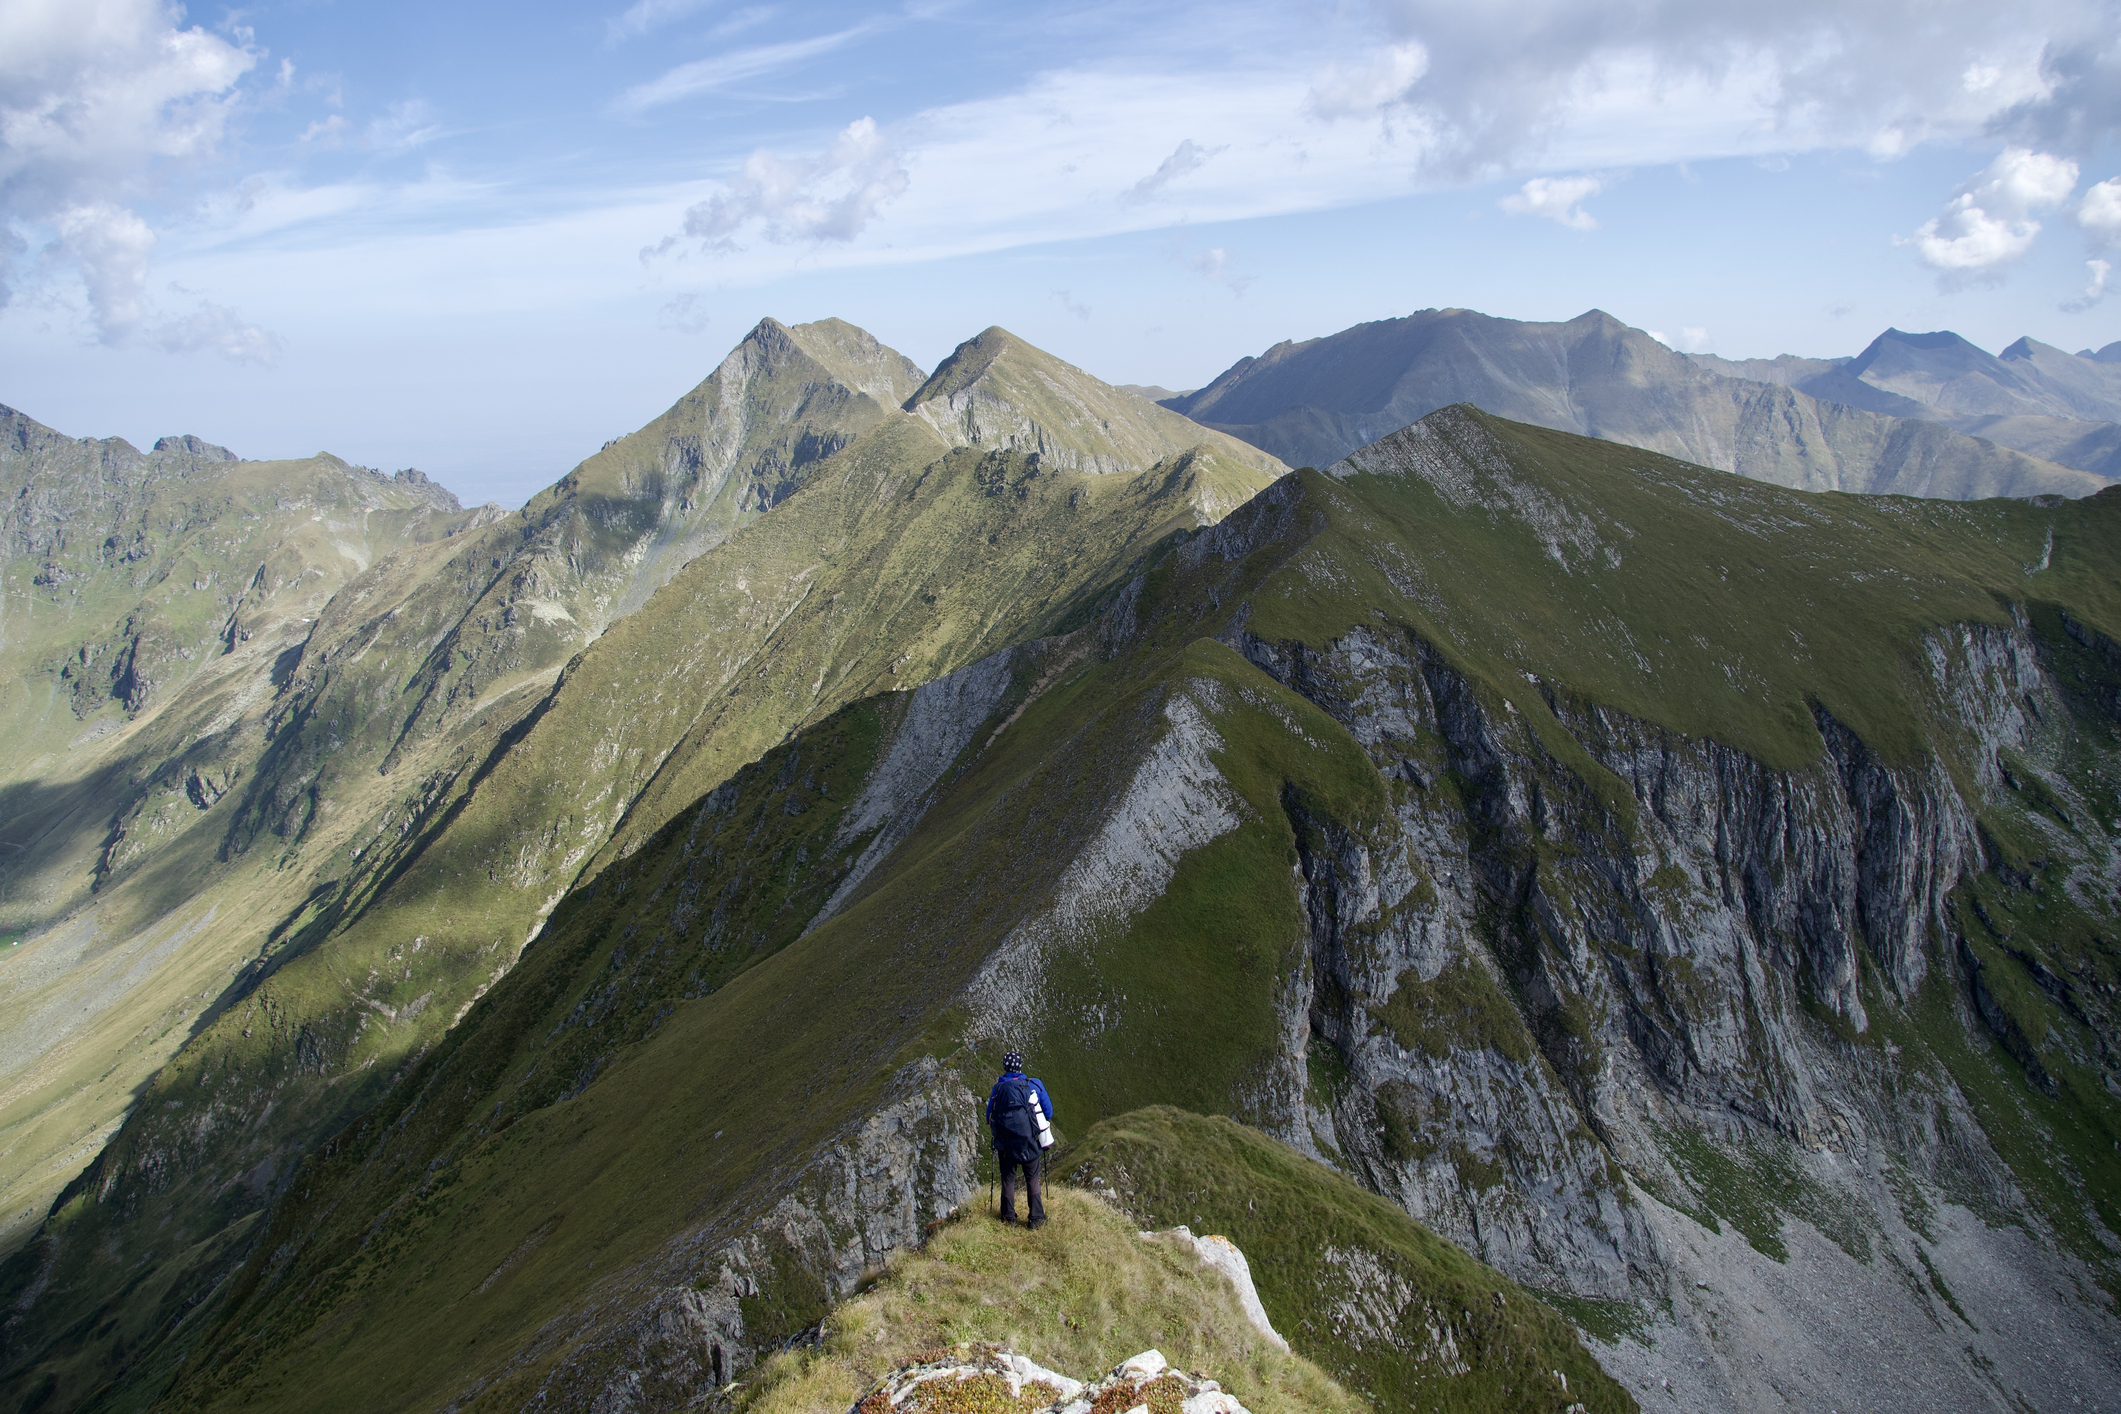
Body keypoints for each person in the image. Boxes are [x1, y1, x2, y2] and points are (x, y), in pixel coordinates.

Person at [985, 1050, 1054, 1227]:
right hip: (1029, 1140)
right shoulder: (1034, 1085)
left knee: (1008, 1179)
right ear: (1020, 1066)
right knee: (1032, 1177)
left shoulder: (998, 1088)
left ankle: (1008, 1219)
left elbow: (989, 1117)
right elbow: (1049, 1112)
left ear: (1005, 1067)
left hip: (1006, 1144)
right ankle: (1036, 1218)